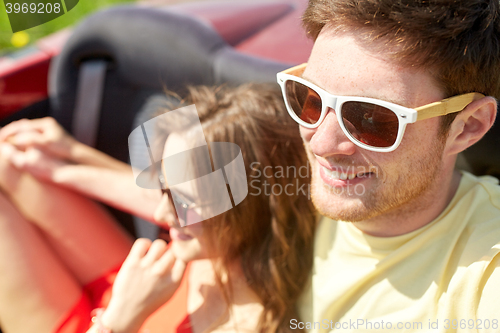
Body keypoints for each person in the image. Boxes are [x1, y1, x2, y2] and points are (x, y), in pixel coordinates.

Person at [0, 84, 316, 333]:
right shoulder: (220, 236)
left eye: (185, 203)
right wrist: (70, 158)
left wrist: (118, 321)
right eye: (165, 190)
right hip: (130, 286)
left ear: (248, 209)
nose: (162, 215)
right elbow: (181, 193)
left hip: (109, 318)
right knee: (9, 156)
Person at [277, 0, 500, 331]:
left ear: (468, 126)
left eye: (371, 118)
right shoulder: (274, 176)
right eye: (310, 99)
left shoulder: (485, 277)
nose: (321, 143)